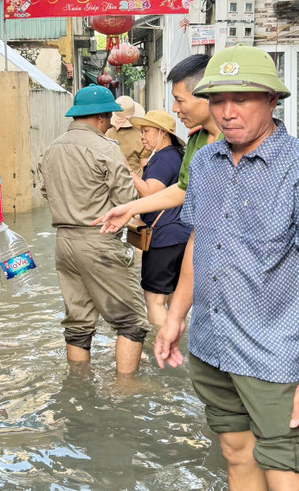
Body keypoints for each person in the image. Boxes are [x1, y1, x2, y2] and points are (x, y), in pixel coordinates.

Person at [160, 45, 299, 491]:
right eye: (218, 99)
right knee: (234, 453)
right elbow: (197, 243)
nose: (227, 112)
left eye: (242, 99)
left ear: (272, 100)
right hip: (212, 344)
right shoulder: (205, 165)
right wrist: (174, 317)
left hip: (275, 357)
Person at [38, 85, 149, 374]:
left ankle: (78, 386)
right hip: (99, 240)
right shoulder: (106, 148)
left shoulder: (51, 149)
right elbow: (127, 201)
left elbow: (46, 192)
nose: (112, 122)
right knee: (132, 321)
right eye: (110, 117)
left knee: (78, 323)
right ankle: (126, 391)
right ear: (100, 117)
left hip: (64, 244)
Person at [93, 54, 219, 230]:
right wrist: (130, 209)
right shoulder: (196, 139)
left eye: (180, 100)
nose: (175, 108)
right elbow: (183, 190)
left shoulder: (236, 143)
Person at [127, 110, 190, 326]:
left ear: (163, 133)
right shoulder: (178, 155)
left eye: (146, 131)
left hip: (164, 237)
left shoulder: (163, 159)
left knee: (154, 299)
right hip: (183, 236)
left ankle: (160, 349)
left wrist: (129, 171)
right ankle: (179, 346)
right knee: (174, 298)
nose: (142, 136)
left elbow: (148, 193)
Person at [105, 96, 149, 175]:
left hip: (115, 179)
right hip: (136, 180)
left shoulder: (108, 134)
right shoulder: (141, 135)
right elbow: (144, 164)